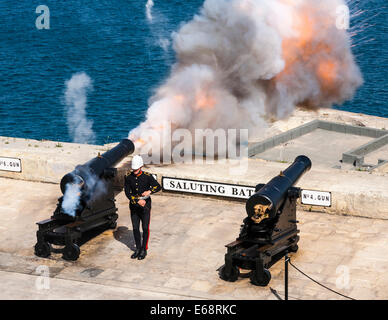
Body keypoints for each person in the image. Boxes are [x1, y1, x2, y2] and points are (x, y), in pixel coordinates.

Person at [124, 155, 161, 260]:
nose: (134, 171)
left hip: (145, 207)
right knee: (135, 228)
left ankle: (144, 249)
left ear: (140, 167)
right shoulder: (128, 177)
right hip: (134, 206)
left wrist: (149, 191)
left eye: (136, 169)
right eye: (133, 169)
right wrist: (137, 200)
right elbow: (127, 192)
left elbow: (158, 186)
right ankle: (138, 249)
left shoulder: (147, 176)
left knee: (145, 228)